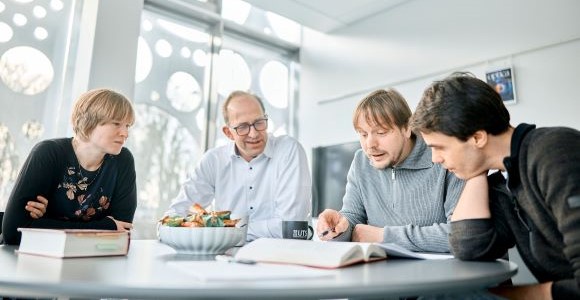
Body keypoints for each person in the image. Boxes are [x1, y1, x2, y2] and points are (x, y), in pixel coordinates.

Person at [410, 72, 580, 299]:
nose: (435, 159)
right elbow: (469, 248)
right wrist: (476, 172)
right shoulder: (505, 180)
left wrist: (510, 295)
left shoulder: (556, 153)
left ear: (478, 138)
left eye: (440, 147)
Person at [317, 89, 464, 253]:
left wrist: (384, 236)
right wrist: (338, 227)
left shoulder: (444, 159)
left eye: (381, 132)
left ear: (407, 128)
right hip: (379, 271)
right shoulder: (361, 162)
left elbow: (461, 233)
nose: (370, 145)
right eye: (363, 134)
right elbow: (354, 221)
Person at [165, 90, 311, 241]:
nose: (254, 134)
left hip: (283, 256)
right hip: (227, 258)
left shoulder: (288, 150)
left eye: (259, 123)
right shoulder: (213, 160)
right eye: (242, 127)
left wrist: (224, 230)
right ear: (228, 133)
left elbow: (291, 227)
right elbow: (175, 214)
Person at [1, 88, 137, 245]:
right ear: (90, 121)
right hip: (26, 259)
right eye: (117, 124)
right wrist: (105, 226)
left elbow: (121, 232)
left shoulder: (122, 160)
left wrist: (45, 222)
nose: (125, 133)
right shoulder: (48, 153)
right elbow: (14, 232)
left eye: (128, 126)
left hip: (89, 260)